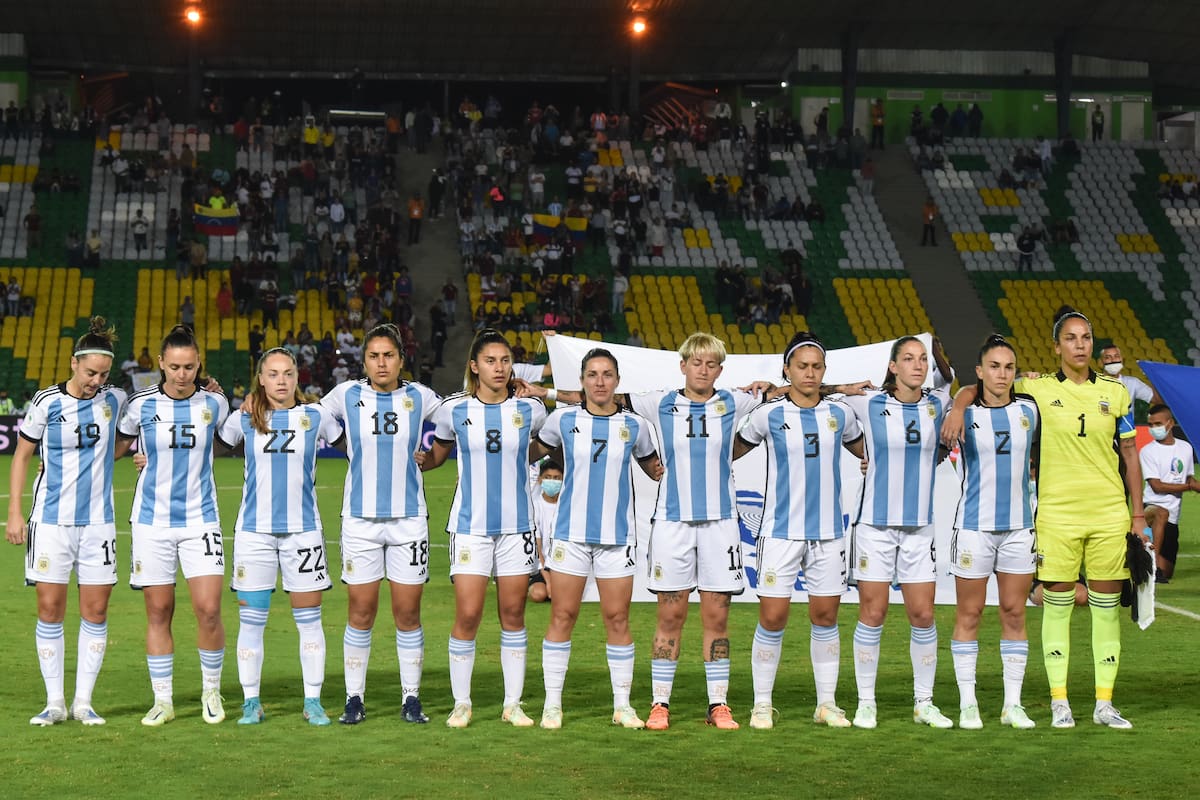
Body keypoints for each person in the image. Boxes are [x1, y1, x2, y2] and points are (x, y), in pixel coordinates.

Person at [521, 332, 766, 730]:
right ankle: (659, 703)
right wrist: (546, 391)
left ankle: (718, 704)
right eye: (696, 362)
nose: (703, 370)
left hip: (722, 525)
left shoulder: (734, 402)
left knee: (717, 618)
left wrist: (834, 387)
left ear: (720, 369)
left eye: (711, 363)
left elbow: (794, 391)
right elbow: (599, 400)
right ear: (683, 365)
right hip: (670, 525)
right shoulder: (658, 404)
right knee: (669, 616)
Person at [943, 306, 1146, 729]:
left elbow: (1129, 453)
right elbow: (975, 387)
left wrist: (1138, 513)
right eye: (1070, 338)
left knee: (1107, 610)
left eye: (1085, 338)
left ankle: (1104, 703)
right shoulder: (1032, 391)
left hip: (1110, 513)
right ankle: (1059, 702)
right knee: (1056, 609)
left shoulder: (1117, 393)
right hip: (1055, 514)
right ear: (1056, 347)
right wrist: (959, 408)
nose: (1079, 345)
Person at [732, 332, 865, 730]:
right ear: (786, 370)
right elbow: (732, 452)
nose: (809, 373)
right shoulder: (767, 414)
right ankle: (761, 704)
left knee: (825, 616)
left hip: (828, 532)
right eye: (802, 366)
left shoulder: (840, 414)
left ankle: (826, 703)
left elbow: (864, 452)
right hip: (780, 531)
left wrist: (869, 463)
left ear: (824, 371)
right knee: (773, 617)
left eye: (816, 367)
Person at [420, 329, 547, 728]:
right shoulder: (453, 409)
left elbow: (541, 447)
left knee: (513, 613)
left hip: (516, 527)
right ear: (474, 366)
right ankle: (462, 703)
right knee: (469, 614)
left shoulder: (531, 411)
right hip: (470, 526)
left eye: (505, 361)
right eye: (491, 361)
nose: (499, 368)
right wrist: (416, 460)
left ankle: (513, 704)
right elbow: (438, 453)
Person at [529, 349, 662, 730]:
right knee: (563, 615)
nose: (600, 381)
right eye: (592, 374)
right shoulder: (564, 421)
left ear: (617, 381)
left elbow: (654, 468)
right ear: (583, 381)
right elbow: (530, 449)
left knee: (617, 618)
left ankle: (622, 706)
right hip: (570, 536)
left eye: (606, 374)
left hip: (616, 538)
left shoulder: (635, 426)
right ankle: (552, 705)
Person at [6, 318, 127, 726]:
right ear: (74, 363)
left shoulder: (116, 399)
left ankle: (83, 702)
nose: (96, 380)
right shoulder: (45, 403)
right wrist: (13, 513)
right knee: (50, 608)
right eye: (90, 372)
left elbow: (136, 427)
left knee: (95, 611)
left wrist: (133, 453)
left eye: (103, 374)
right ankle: (54, 702)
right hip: (50, 522)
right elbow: (22, 456)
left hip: (98, 524)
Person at [318, 324, 442, 725]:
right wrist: (344, 444)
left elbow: (458, 417)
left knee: (407, 612)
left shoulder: (419, 396)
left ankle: (411, 698)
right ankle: (354, 698)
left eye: (388, 355)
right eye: (374, 355)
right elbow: (315, 416)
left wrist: (434, 453)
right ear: (364, 361)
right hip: (360, 521)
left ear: (401, 359)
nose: (381, 362)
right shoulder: (347, 394)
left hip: (409, 520)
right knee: (361, 611)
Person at [216, 348, 345, 726]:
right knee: (252, 622)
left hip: (303, 532)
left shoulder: (315, 416)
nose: (282, 381)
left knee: (309, 620)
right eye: (273, 374)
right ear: (261, 379)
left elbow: (356, 451)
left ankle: (313, 701)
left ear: (297, 377)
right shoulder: (243, 419)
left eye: (288, 373)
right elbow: (204, 452)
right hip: (254, 533)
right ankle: (251, 702)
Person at [117, 325, 230, 726]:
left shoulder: (215, 403)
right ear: (160, 364)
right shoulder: (140, 405)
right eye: (175, 366)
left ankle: (211, 692)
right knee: (158, 611)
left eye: (189, 366)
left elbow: (237, 439)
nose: (182, 374)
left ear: (199, 364)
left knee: (209, 610)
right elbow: (114, 448)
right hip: (151, 523)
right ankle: (162, 701)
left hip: (201, 520)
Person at [840, 336, 955, 729]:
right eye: (908, 359)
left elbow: (970, 391)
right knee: (873, 613)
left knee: (923, 615)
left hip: (919, 528)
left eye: (922, 359)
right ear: (892, 367)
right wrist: (842, 388)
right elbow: (807, 393)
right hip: (874, 526)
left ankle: (924, 702)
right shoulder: (868, 403)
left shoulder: (939, 404)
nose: (918, 365)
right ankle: (866, 702)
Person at [947, 335, 1039, 731]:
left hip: (1020, 527)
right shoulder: (963, 415)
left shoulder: (1031, 411)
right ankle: (968, 704)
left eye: (1009, 367)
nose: (1003, 374)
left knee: (1015, 613)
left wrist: (961, 398)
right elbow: (964, 395)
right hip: (974, 528)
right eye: (995, 367)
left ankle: (1012, 705)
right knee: (970, 613)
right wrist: (959, 402)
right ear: (981, 372)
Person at [1140, 404, 1199, 581]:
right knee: (1161, 512)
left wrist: (1193, 485)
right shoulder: (1147, 451)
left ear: (1170, 423)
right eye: (1150, 425)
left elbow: (1189, 479)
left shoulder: (1185, 448)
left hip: (1173, 518)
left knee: (1167, 573)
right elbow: (1157, 487)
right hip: (1150, 510)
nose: (1153, 429)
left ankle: (1152, 565)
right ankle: (1152, 563)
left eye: (1157, 424)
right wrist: (1189, 487)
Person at [528, 459, 562, 603]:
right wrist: (548, 582)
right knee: (538, 594)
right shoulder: (535, 507)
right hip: (542, 566)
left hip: (563, 564)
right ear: (540, 480)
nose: (552, 482)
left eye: (556, 478)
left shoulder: (567, 506)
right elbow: (538, 548)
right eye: (548, 477)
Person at [1097, 344, 1162, 407]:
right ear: (1100, 362)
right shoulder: (1092, 383)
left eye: (1116, 356)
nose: (1113, 360)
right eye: (1108, 357)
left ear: (1122, 360)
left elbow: (1157, 400)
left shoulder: (1132, 383)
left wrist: (1152, 376)